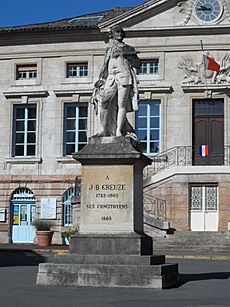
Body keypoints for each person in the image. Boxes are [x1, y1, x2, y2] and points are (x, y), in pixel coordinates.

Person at [91, 25, 141, 138]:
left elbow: (137, 64)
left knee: (121, 104)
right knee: (103, 101)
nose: (120, 34)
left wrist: (126, 54)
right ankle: (103, 129)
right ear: (112, 35)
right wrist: (101, 80)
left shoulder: (128, 48)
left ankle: (118, 130)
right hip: (111, 78)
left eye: (121, 32)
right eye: (117, 32)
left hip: (124, 77)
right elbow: (105, 66)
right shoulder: (109, 50)